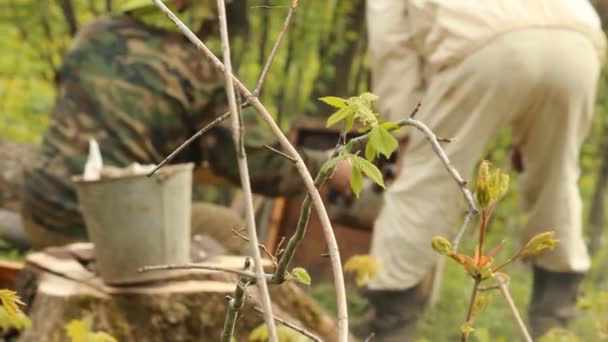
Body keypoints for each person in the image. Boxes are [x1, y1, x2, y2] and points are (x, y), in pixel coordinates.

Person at [330, 1, 607, 340]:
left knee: (425, 183)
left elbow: (392, 47)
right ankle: (555, 325)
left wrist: (403, 132)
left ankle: (391, 324)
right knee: (559, 184)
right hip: (577, 43)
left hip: (487, 44)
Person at [20, 0, 329, 252]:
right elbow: (255, 163)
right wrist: (326, 169)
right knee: (233, 231)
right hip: (107, 229)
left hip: (41, 214)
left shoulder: (92, 34)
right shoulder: (198, 68)